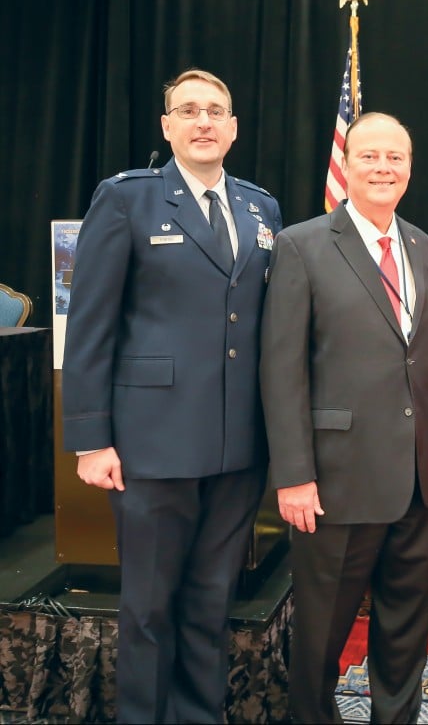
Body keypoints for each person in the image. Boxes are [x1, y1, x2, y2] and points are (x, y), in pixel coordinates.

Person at [62, 68, 283, 723]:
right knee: (149, 608)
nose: (203, 121)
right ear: (167, 126)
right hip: (151, 445)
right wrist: (91, 438)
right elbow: (90, 325)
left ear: (234, 127)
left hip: (237, 446)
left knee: (211, 604)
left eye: (215, 110)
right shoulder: (126, 199)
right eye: (188, 110)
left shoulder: (261, 208)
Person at [258, 111, 428, 724]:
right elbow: (281, 370)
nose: (383, 167)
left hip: (419, 478)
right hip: (336, 480)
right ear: (345, 164)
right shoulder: (301, 245)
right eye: (369, 155)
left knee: (405, 628)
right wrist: (294, 474)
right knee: (321, 631)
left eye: (395, 157)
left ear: (410, 169)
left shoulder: (424, 246)